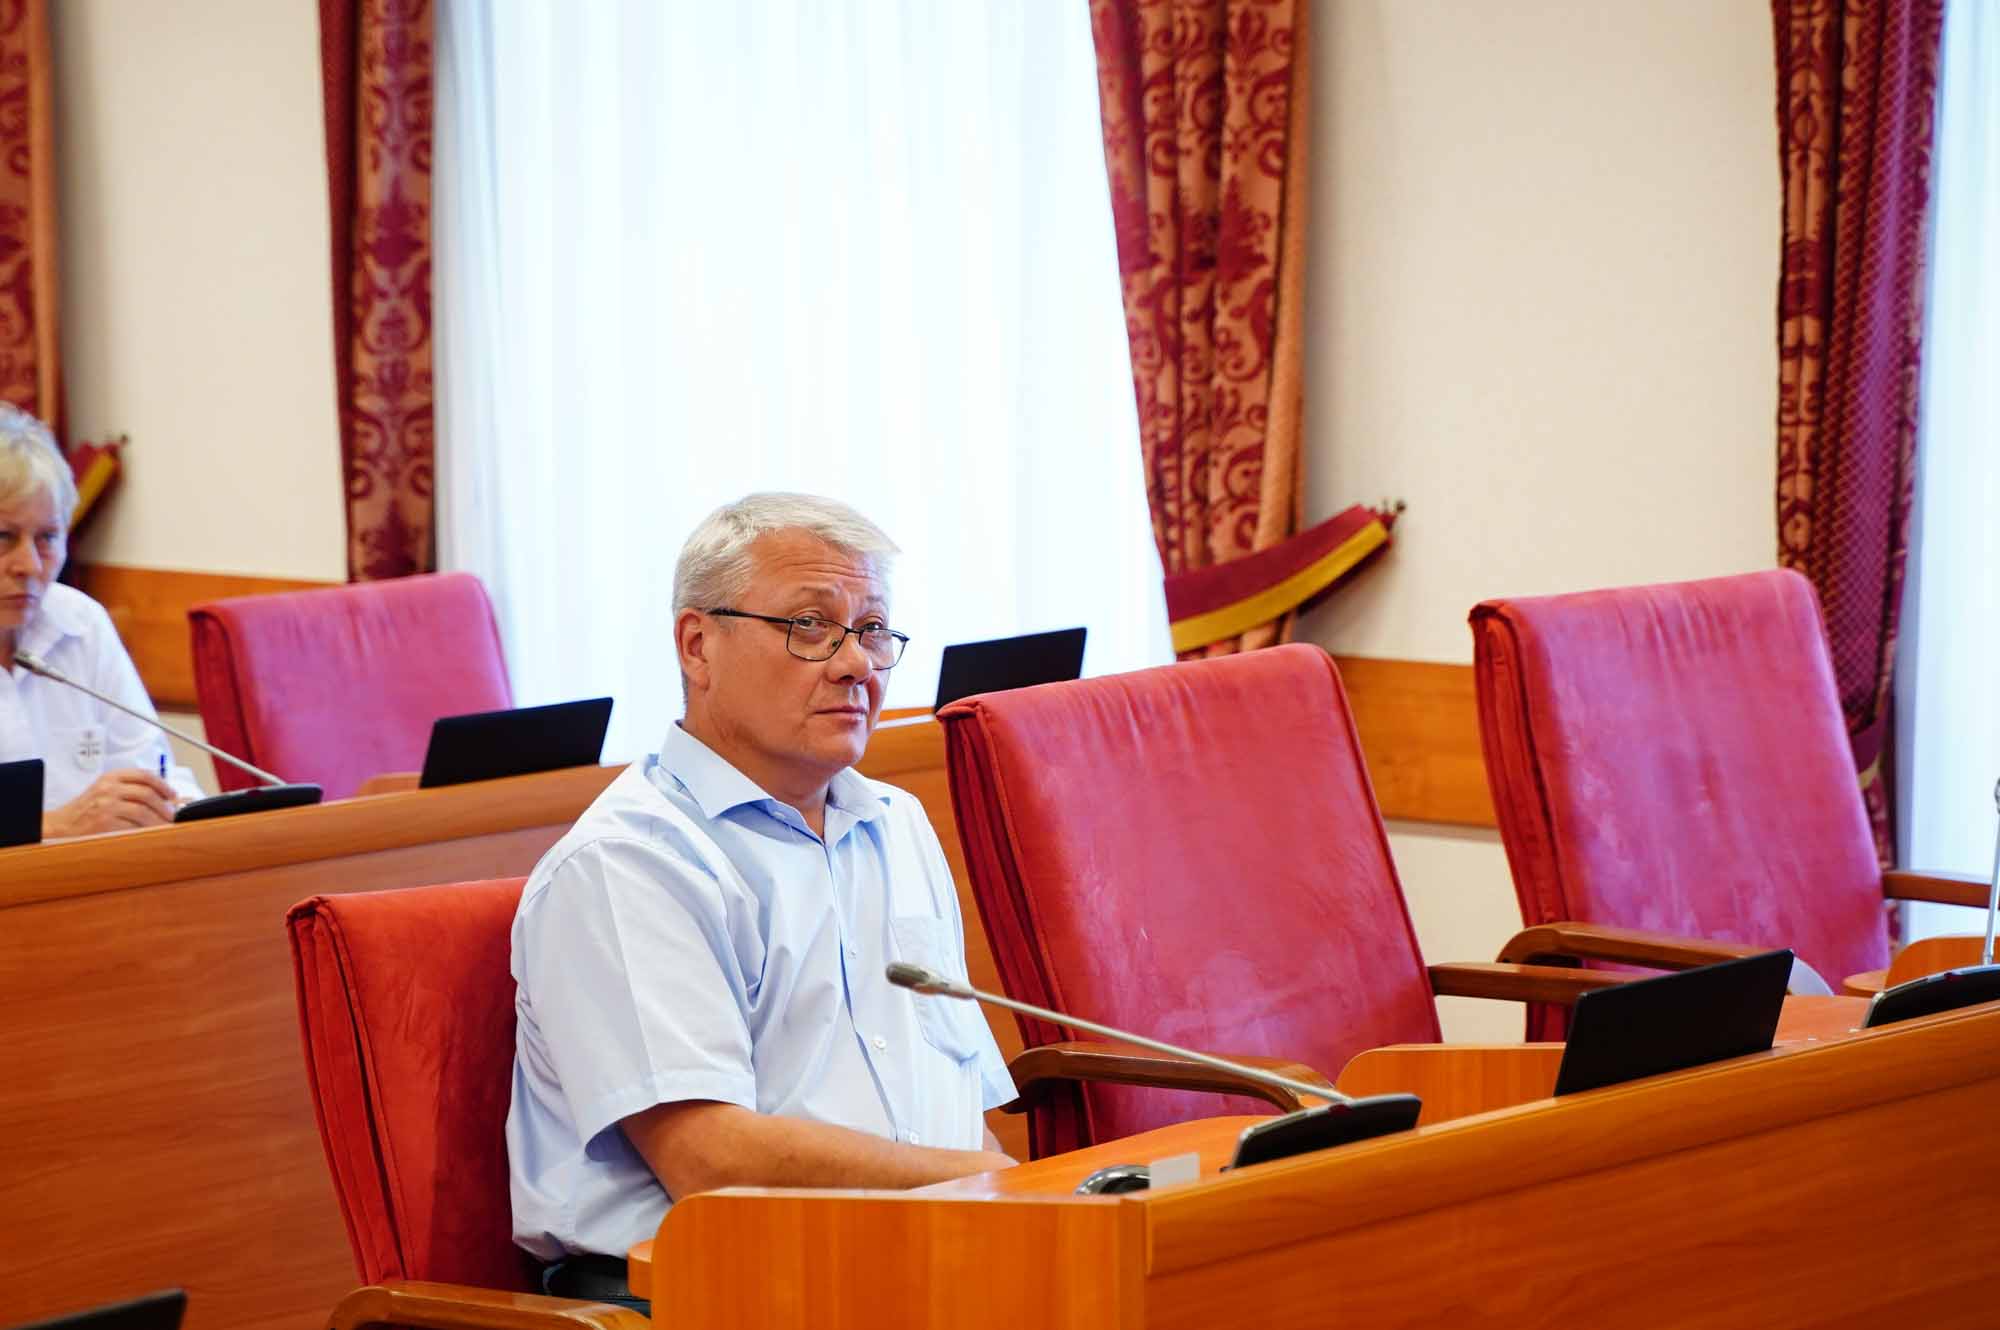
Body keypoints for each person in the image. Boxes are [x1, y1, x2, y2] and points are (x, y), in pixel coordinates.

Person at [507, 493, 1016, 1308]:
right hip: (715, 1290)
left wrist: (1021, 1222)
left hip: (924, 1260)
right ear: (697, 645)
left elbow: (957, 1108)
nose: (855, 665)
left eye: (873, 630)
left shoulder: (898, 825)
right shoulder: (629, 864)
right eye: (810, 626)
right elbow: (709, 1161)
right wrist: (985, 1188)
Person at [0, 404, 199, 837]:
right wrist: (53, 827)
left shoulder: (80, 622)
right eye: (4, 537)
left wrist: (179, 809)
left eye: (47, 537)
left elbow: (149, 768)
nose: (30, 565)